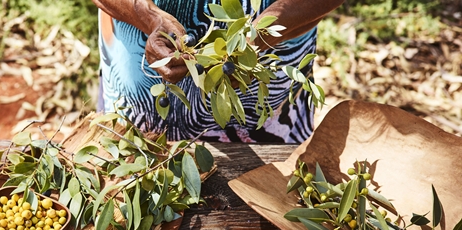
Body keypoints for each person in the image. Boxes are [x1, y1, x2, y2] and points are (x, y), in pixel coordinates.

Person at [91, 0, 344, 143]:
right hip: (139, 85)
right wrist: (147, 17)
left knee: (267, 201)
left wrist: (257, 37)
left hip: (266, 82)